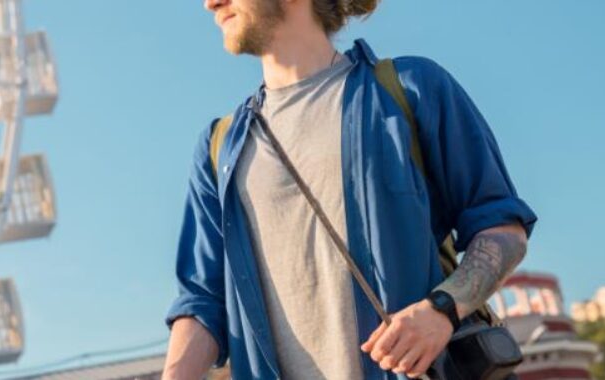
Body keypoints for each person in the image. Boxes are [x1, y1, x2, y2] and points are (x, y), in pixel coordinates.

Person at [162, 0, 538, 379]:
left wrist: (441, 309)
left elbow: (503, 229)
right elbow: (203, 303)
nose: (210, 2)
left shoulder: (411, 89)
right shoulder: (219, 148)